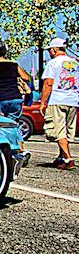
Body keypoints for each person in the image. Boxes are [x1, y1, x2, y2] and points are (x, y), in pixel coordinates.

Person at [39, 38, 78, 170]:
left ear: (55, 49)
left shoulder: (53, 63)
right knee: (67, 130)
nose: (49, 52)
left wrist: (43, 102)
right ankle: (61, 157)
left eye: (50, 49)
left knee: (58, 130)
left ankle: (68, 158)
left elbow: (48, 83)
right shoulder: (75, 63)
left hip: (58, 99)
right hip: (73, 99)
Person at [0, 40, 29, 120]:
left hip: (0, 99)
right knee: (13, 124)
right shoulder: (13, 65)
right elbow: (26, 77)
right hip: (15, 97)